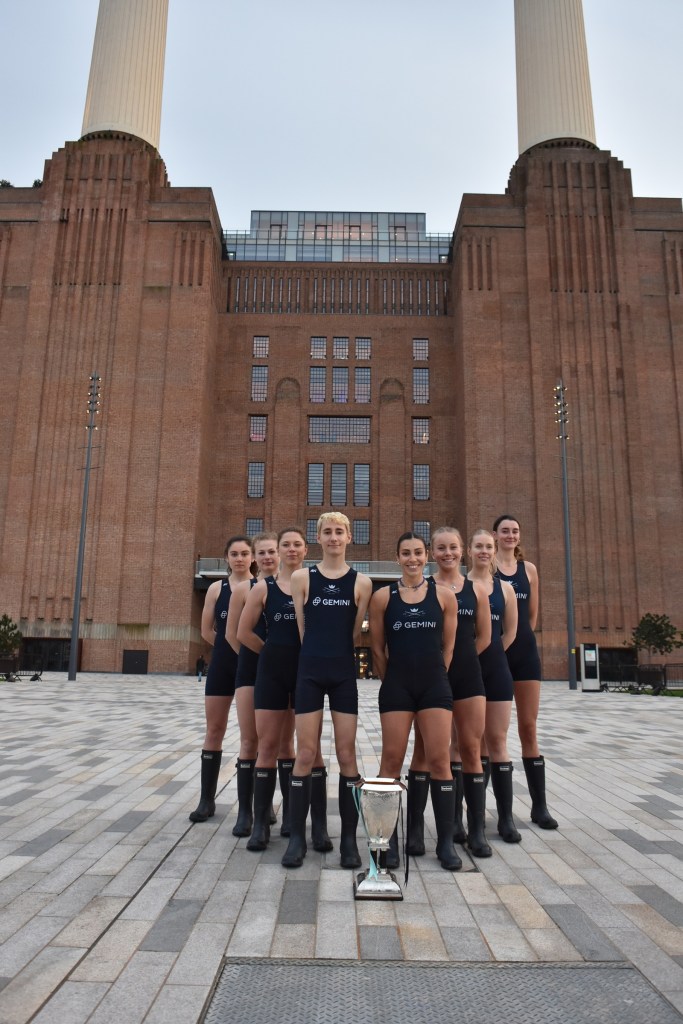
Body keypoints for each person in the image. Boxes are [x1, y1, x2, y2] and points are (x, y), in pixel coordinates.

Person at [281, 512, 372, 869]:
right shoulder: (302, 578)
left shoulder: (362, 583)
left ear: (349, 537)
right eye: (327, 532)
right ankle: (298, 838)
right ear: (318, 538)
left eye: (339, 532)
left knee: (347, 755)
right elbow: (303, 628)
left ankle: (348, 840)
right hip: (310, 671)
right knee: (305, 753)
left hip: (343, 672)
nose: (334, 538)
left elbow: (354, 632)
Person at [369, 532, 461, 871]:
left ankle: (446, 844)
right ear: (397, 558)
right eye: (406, 553)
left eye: (418, 552)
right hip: (397, 687)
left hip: (434, 685)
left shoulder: (445, 596)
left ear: (427, 556)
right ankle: (386, 841)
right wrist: (392, 680)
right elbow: (377, 649)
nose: (413, 559)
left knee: (439, 760)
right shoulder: (383, 597)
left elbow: (448, 648)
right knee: (391, 760)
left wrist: (436, 676)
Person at [237, 527, 328, 853]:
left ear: (305, 550)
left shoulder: (316, 586)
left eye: (297, 545)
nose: (291, 549)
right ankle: (261, 824)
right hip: (272, 674)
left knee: (310, 749)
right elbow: (243, 632)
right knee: (267, 747)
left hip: (307, 676)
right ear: (279, 550)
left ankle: (307, 822)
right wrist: (270, 653)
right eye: (285, 545)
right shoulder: (264, 587)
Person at [493, 514, 558, 829]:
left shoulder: (528, 570)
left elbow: (530, 618)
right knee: (493, 734)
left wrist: (519, 639)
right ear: (495, 535)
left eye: (514, 531)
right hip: (496, 655)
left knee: (529, 728)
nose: (510, 535)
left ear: (519, 536)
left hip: (525, 655)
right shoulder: (487, 569)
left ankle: (539, 807)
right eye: (504, 530)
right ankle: (489, 811)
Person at [430, 526, 492, 858]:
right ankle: (452, 822)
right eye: (441, 548)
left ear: (461, 550)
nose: (448, 553)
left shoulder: (476, 590)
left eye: (453, 547)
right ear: (432, 552)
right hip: (435, 677)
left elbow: (484, 636)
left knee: (470, 747)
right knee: (442, 750)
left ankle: (476, 830)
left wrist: (461, 659)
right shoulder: (426, 588)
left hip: (468, 675)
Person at [189, 535, 253, 823]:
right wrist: (229, 647)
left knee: (251, 737)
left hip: (250, 667)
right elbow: (206, 630)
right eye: (234, 554)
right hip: (222, 666)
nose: (239, 558)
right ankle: (206, 800)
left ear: (252, 557)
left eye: (244, 553)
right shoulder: (217, 588)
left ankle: (254, 805)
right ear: (227, 557)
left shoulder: (261, 586)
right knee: (214, 730)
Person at [468, 528, 522, 843]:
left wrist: (492, 652)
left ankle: (505, 819)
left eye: (488, 546)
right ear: (469, 551)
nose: (484, 551)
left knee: (498, 741)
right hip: (466, 671)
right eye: (478, 546)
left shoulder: (506, 589)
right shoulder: (458, 586)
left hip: (496, 668)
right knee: (467, 745)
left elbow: (511, 632)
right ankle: (467, 818)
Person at [226, 532, 280, 837]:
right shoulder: (243, 590)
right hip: (250, 670)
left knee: (278, 744)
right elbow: (233, 634)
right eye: (262, 552)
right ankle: (245, 812)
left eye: (272, 551)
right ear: (255, 558)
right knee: (249, 741)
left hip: (281, 673)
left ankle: (268, 805)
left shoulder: (294, 587)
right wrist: (263, 656)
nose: (268, 557)